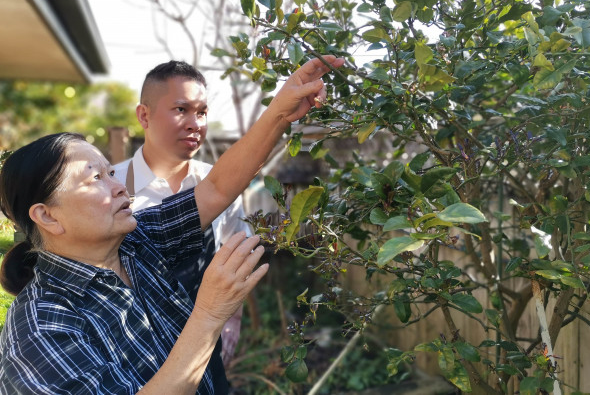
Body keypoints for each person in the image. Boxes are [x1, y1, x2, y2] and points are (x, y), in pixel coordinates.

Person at [0, 56, 344, 394]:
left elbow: (216, 188)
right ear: (47, 216)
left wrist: (280, 112)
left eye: (110, 172)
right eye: (95, 179)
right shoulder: (39, 327)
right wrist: (209, 315)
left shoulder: (137, 241)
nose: (119, 185)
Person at [112, 61, 250, 368]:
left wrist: (232, 321)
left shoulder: (220, 185)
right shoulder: (112, 186)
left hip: (204, 346)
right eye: (181, 110)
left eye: (201, 112)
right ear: (143, 115)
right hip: (132, 350)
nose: (195, 124)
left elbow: (235, 254)